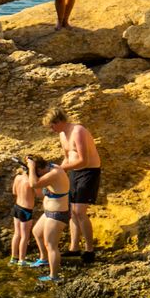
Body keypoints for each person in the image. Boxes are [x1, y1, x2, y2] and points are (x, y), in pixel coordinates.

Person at [47, 108, 102, 252]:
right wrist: (57, 171)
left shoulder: (78, 131)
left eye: (52, 126)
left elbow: (84, 160)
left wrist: (61, 169)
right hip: (74, 173)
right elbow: (67, 157)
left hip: (89, 172)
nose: (52, 130)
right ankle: (74, 248)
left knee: (79, 211)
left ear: (59, 121)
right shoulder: (62, 135)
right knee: (72, 212)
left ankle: (89, 249)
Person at [32, 155, 71, 282]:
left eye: (37, 172)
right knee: (37, 232)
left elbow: (34, 184)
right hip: (48, 212)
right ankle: (44, 259)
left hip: (57, 214)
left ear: (40, 168)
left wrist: (31, 167)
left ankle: (54, 276)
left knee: (51, 245)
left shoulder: (54, 172)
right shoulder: (49, 168)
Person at [8, 156, 40, 265]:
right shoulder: (30, 182)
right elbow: (40, 195)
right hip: (26, 210)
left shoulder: (17, 178)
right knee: (25, 236)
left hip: (17, 207)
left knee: (17, 234)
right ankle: (22, 260)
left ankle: (13, 258)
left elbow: (14, 192)